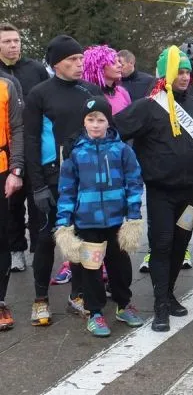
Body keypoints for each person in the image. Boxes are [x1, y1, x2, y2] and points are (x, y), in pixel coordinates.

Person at [115, 46, 193, 332]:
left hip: (189, 192)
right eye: (180, 72)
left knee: (180, 243)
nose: (186, 77)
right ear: (166, 75)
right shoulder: (147, 107)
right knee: (162, 244)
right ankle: (160, 304)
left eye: (188, 72)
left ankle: (169, 293)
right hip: (160, 192)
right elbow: (116, 131)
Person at [25, 35, 102, 326]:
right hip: (51, 178)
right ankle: (40, 299)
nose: (79, 64)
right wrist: (37, 185)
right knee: (46, 239)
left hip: (85, 177)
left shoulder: (91, 90)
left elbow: (105, 131)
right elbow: (31, 141)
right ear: (56, 63)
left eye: (81, 58)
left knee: (81, 237)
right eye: (72, 59)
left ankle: (77, 295)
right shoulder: (39, 94)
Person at [54, 96, 144, 336]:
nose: (95, 125)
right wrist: (64, 223)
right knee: (91, 269)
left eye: (101, 120)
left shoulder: (122, 150)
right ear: (84, 122)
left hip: (116, 221)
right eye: (91, 120)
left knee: (120, 266)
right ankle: (95, 313)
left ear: (109, 122)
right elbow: (66, 190)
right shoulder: (75, 153)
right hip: (87, 222)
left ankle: (124, 305)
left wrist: (133, 216)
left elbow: (134, 183)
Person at [0, 22, 49, 273]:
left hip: (35, 144)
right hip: (7, 149)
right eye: (7, 41)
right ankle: (16, 250)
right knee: (12, 204)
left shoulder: (36, 69)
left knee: (38, 199)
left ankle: (40, 251)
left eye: (16, 41)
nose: (13, 45)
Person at [0, 69, 26, 330]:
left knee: (1, 237)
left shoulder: (6, 86)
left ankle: (0, 301)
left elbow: (17, 129)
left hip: (1, 168)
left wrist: (16, 170)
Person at [82, 45, 132, 114]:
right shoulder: (88, 96)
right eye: (113, 62)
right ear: (98, 67)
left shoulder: (122, 92)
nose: (120, 65)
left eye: (119, 61)